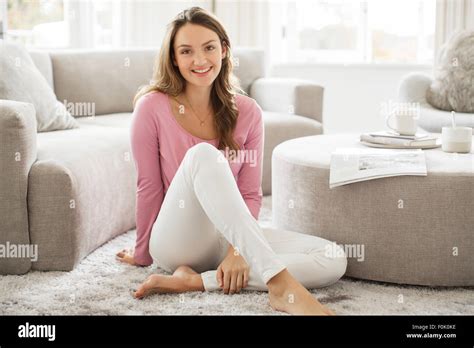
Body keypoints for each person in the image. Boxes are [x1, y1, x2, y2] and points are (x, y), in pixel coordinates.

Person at [117, 6, 347, 315]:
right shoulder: (152, 107)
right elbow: (148, 187)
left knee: (331, 257)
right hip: (176, 240)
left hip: (227, 238)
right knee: (203, 155)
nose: (200, 60)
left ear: (224, 50)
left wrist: (238, 250)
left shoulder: (248, 112)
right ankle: (280, 285)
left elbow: (250, 194)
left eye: (209, 48)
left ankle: (198, 281)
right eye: (186, 51)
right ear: (174, 58)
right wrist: (143, 253)